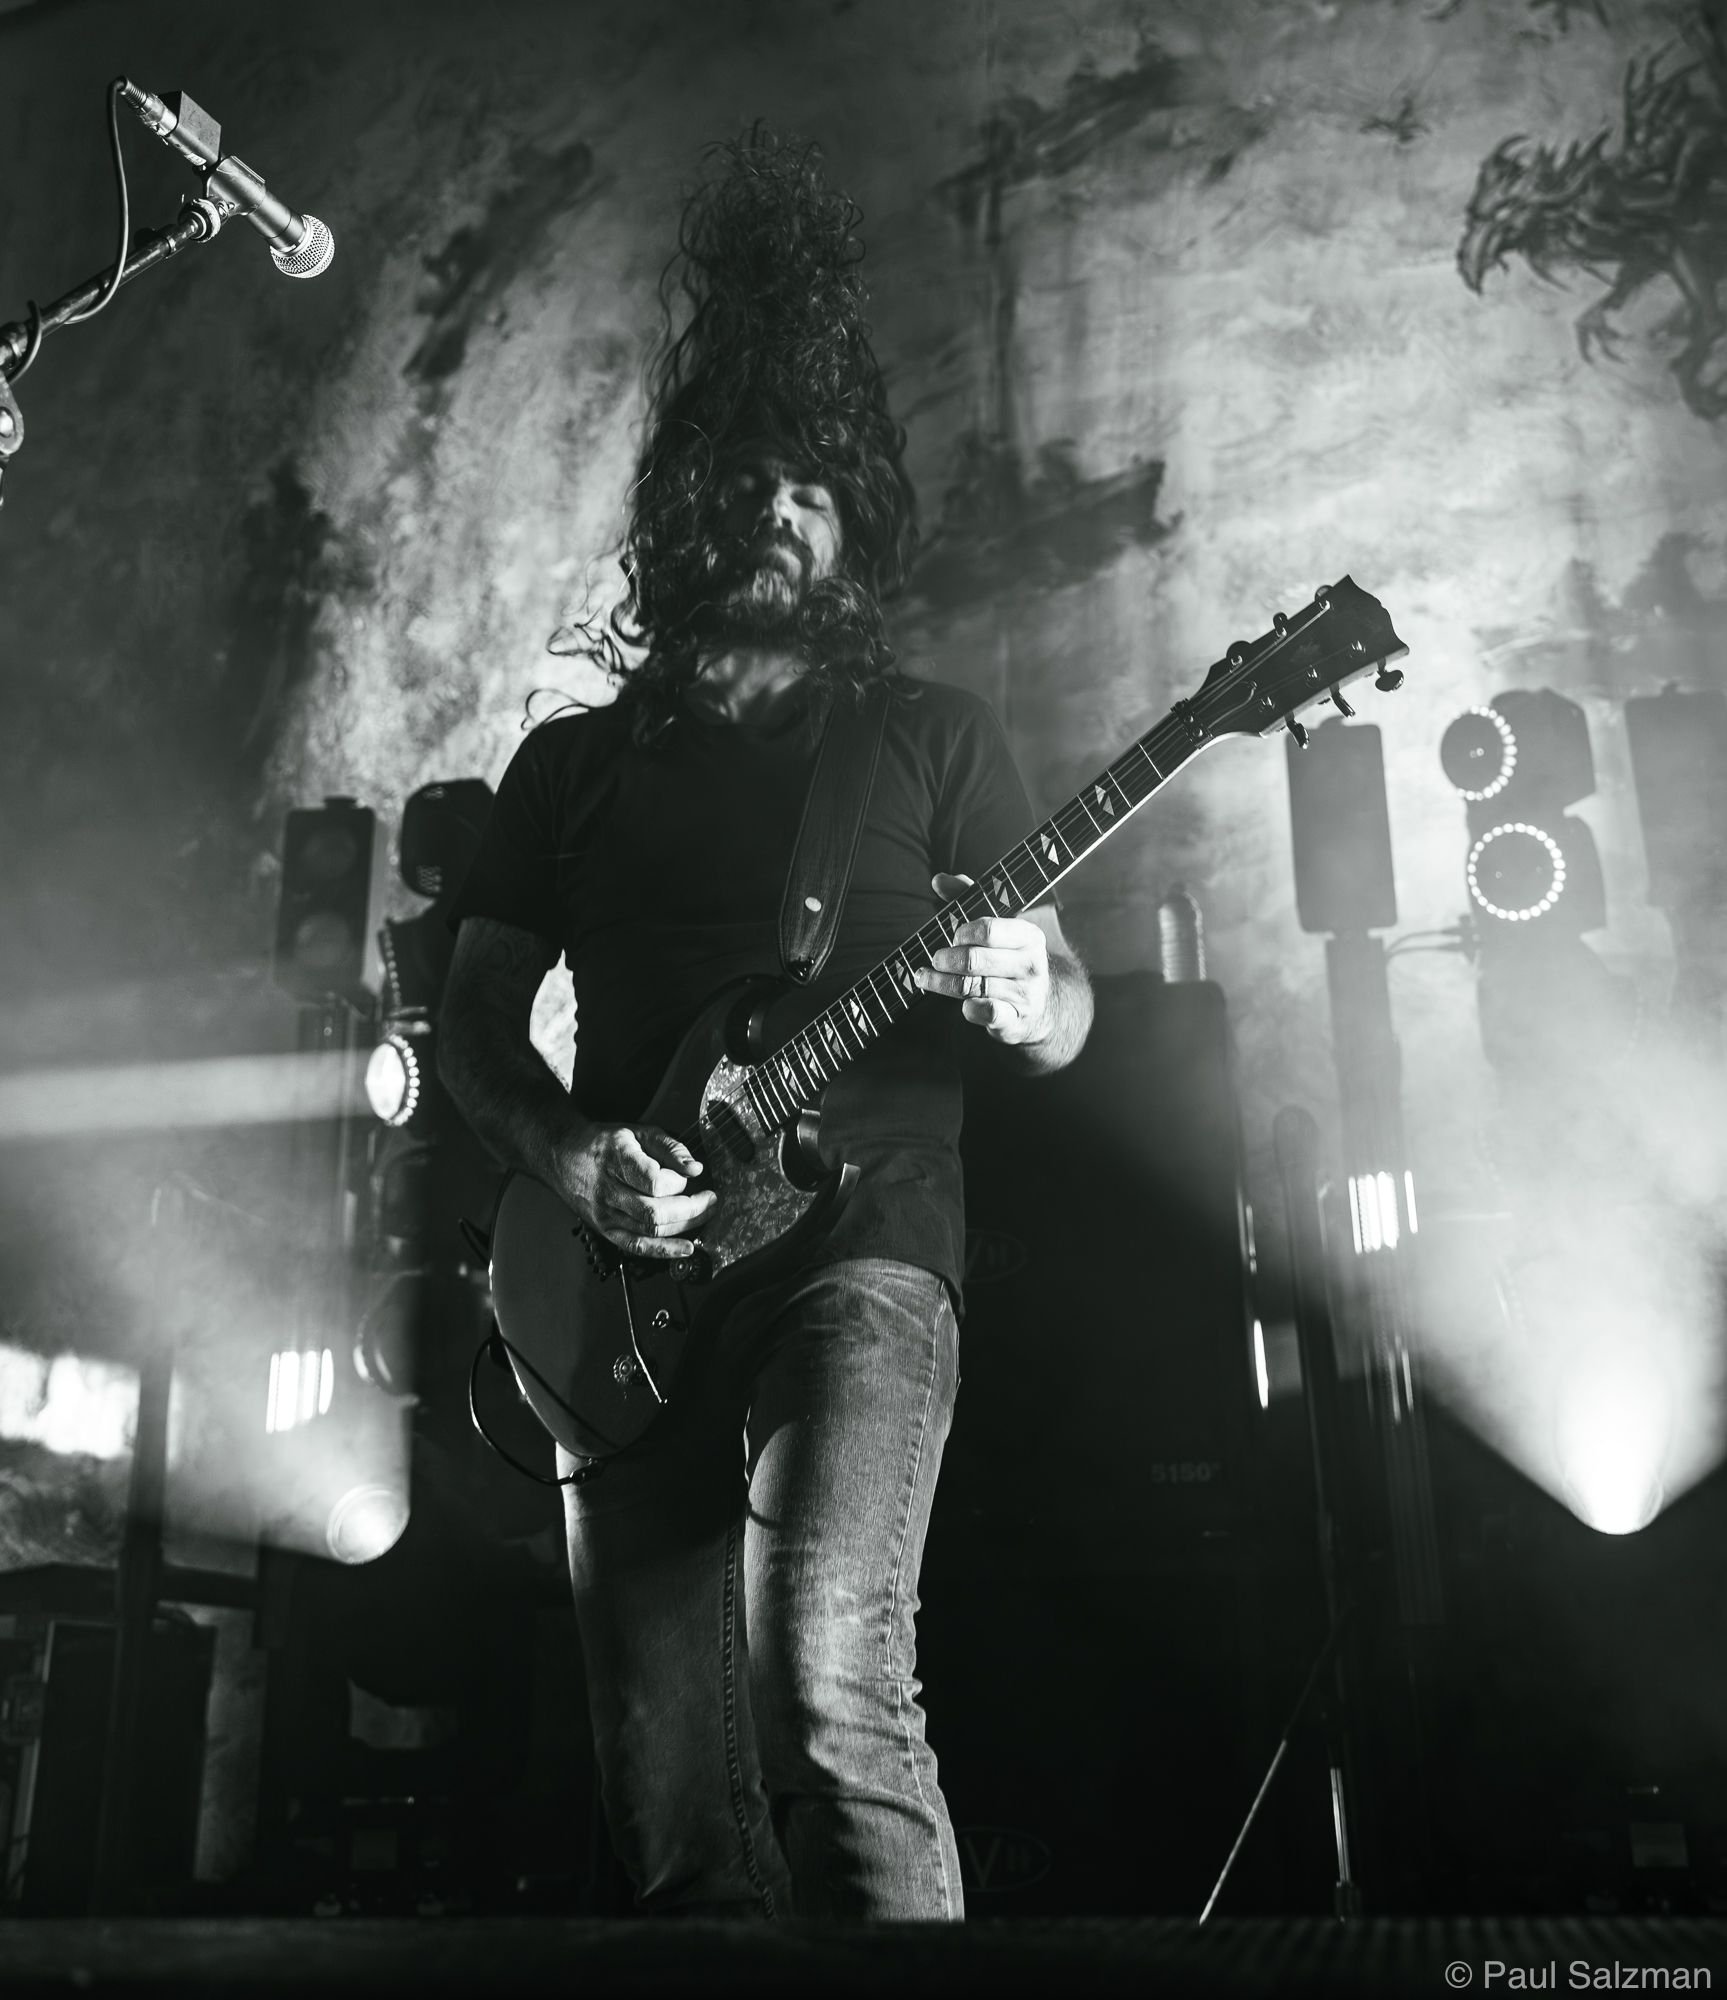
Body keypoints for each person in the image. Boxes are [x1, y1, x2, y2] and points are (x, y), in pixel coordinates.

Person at [438, 132, 1092, 1921]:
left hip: (857, 1254)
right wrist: (574, 1155)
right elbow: (471, 1025)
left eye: (812, 487)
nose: (778, 513)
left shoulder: (932, 738)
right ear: (681, 511)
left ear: (853, 518)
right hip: (617, 1293)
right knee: (669, 1825)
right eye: (745, 480)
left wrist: (1036, 991)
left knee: (827, 1689)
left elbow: (1063, 999)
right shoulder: (569, 768)